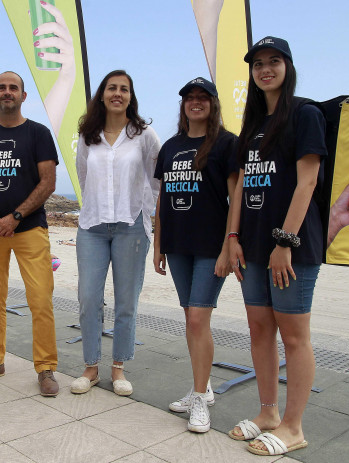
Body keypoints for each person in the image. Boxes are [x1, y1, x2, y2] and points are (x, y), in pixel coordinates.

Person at [227, 37, 327, 456]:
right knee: (259, 329)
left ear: (288, 66)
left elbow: (308, 181)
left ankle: (293, 426)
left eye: (274, 61)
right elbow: (243, 187)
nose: (265, 69)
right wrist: (232, 239)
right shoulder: (251, 126)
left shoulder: (305, 114)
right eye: (258, 64)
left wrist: (284, 243)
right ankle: (268, 413)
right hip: (251, 246)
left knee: (295, 336)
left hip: (292, 248)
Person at [0, 71, 60, 397]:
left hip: (30, 229)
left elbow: (47, 182)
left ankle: (45, 369)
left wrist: (15, 217)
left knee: (41, 300)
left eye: (13, 88)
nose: (7, 92)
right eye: (1, 88)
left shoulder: (39, 133)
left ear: (23, 95)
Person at [153, 78, 238, 432]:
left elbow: (237, 198)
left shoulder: (226, 143)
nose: (196, 103)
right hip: (178, 246)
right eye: (190, 98)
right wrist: (158, 244)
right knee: (192, 318)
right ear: (183, 105)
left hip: (211, 247)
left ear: (213, 104)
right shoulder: (171, 147)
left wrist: (230, 244)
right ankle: (200, 387)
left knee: (197, 321)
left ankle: (200, 397)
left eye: (203, 98)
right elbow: (162, 199)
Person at [70, 70, 160, 396]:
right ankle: (90, 367)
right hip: (92, 226)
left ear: (130, 96)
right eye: (112, 88)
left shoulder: (144, 135)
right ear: (103, 94)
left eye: (124, 89)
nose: (117, 93)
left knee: (126, 302)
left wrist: (144, 212)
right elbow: (83, 176)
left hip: (131, 226)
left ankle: (118, 367)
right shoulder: (87, 136)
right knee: (88, 298)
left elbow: (157, 177)